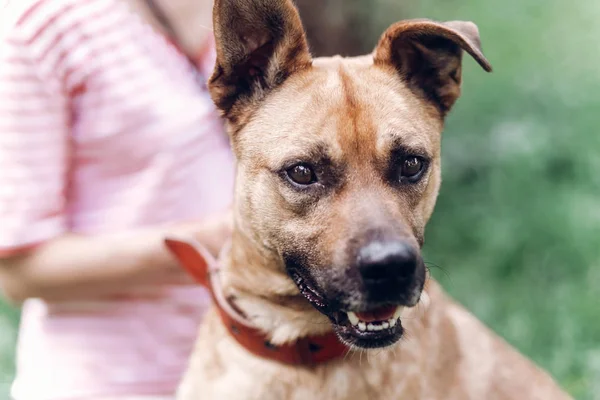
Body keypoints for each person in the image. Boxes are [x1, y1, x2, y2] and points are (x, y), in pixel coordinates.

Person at [0, 0, 234, 398]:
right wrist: (206, 241)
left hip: (237, 375)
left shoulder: (240, 9)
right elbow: (19, 270)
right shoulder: (38, 25)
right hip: (108, 384)